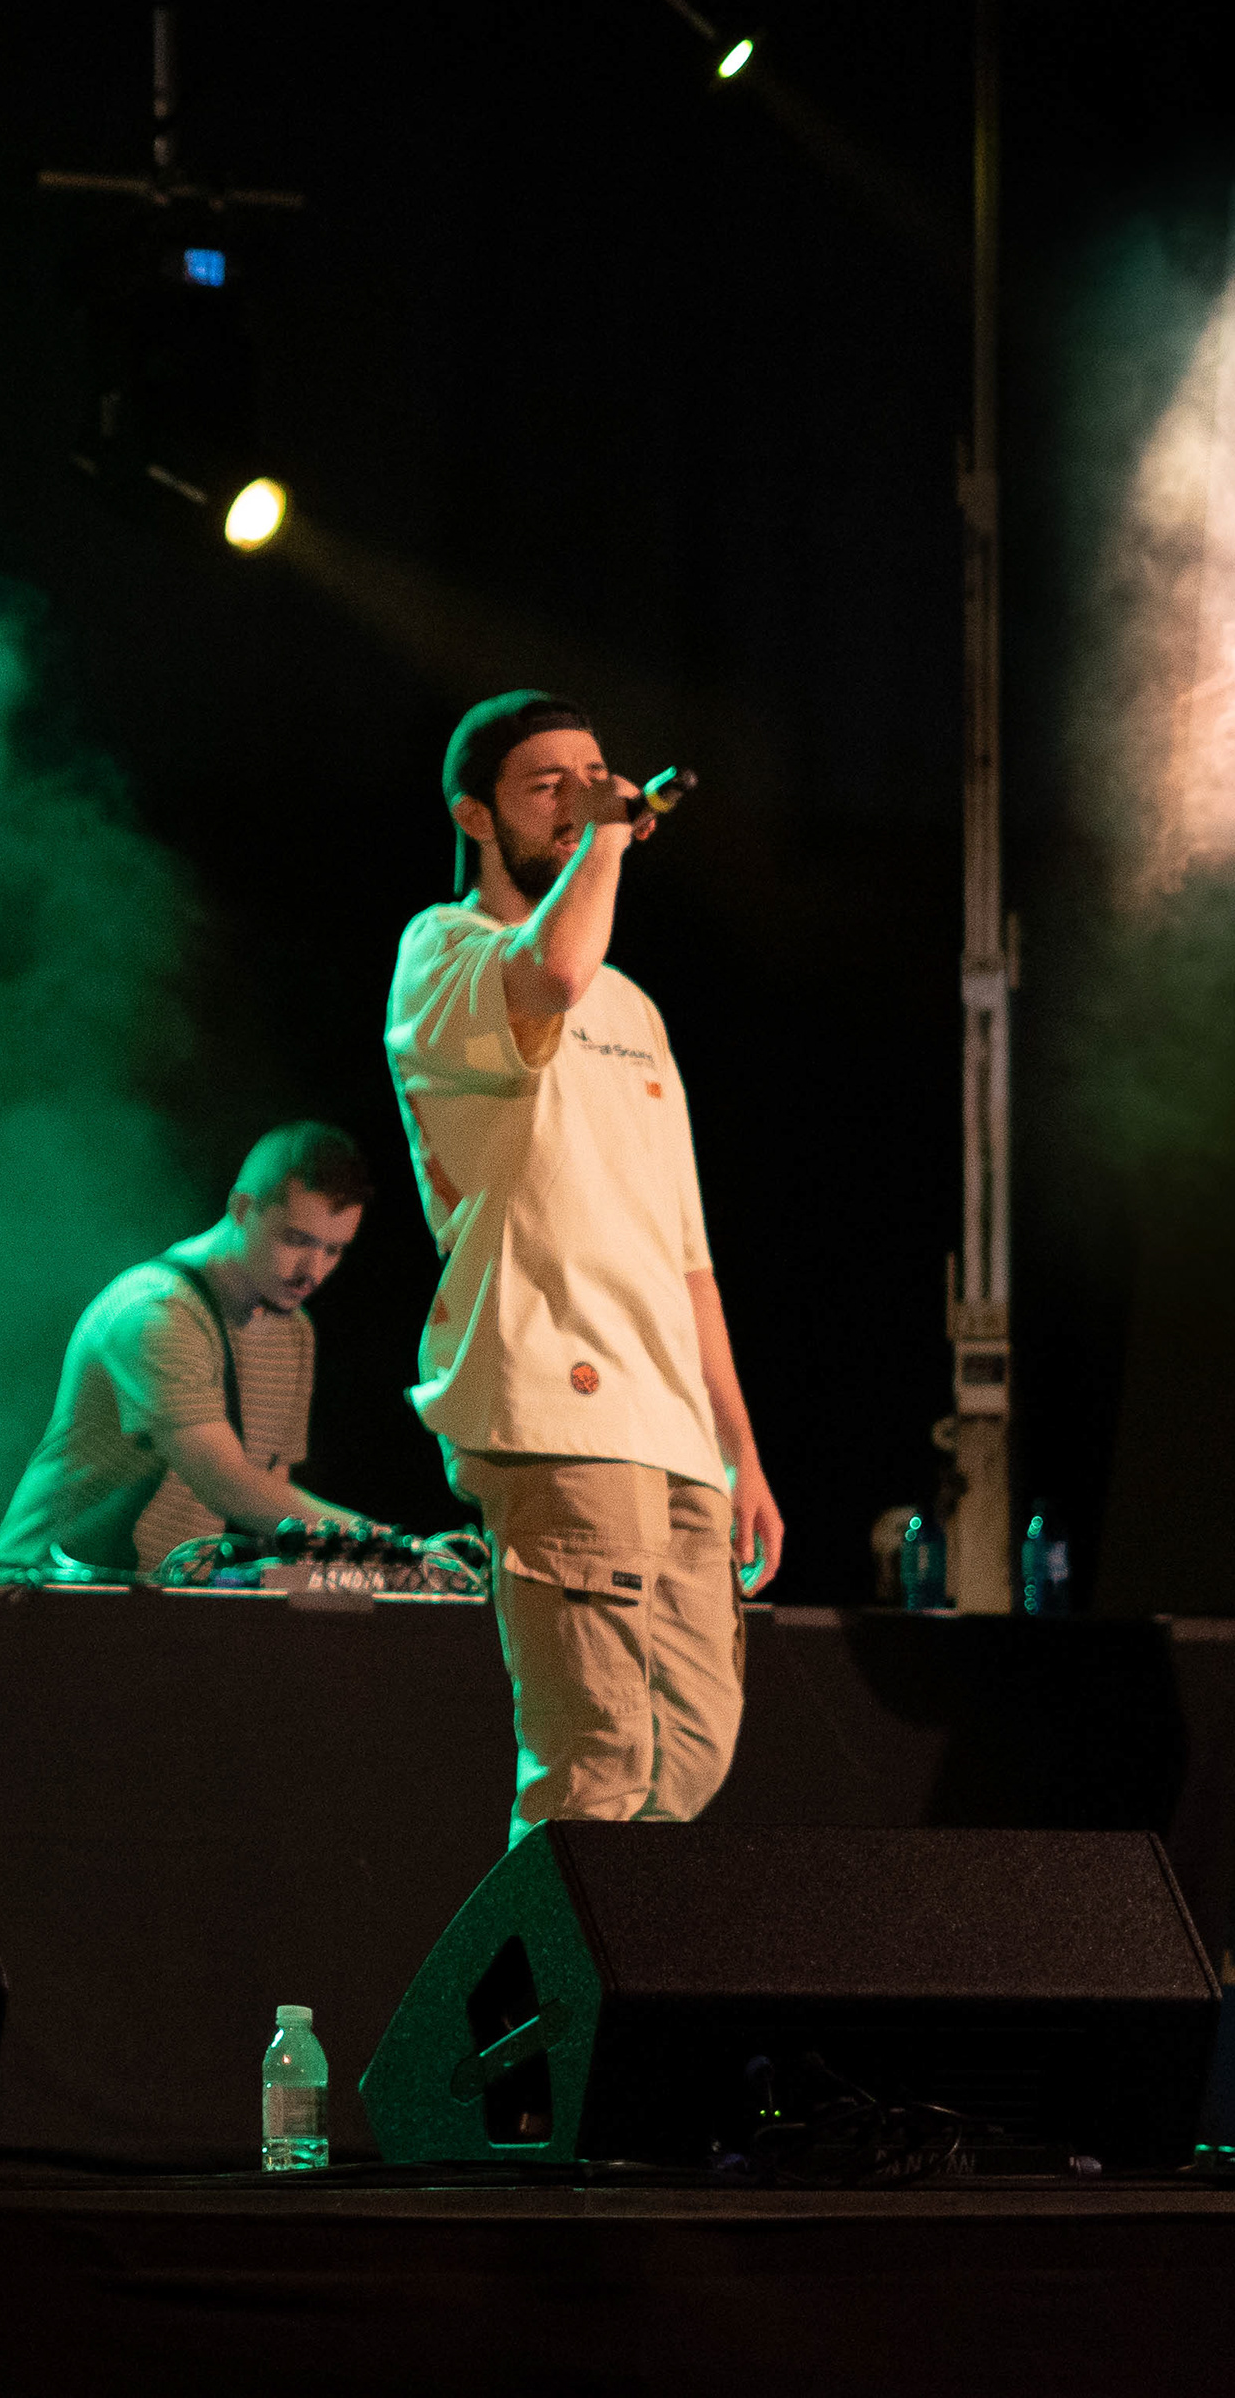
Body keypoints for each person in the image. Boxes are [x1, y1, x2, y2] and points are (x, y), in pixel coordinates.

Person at [388, 690, 785, 1839]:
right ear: (475, 815)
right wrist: (607, 836)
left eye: (596, 775)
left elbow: (687, 1257)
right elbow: (552, 975)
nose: (581, 797)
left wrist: (739, 1448)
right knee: (596, 1769)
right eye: (546, 784)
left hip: (673, 1429)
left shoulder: (638, 1009)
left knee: (688, 1765)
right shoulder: (444, 949)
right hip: (557, 1408)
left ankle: (619, 1963)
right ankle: (544, 1964)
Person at [0, 1122, 387, 1580]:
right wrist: (382, 1545)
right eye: (296, 1240)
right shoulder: (156, 1312)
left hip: (151, 1598)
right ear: (242, 1208)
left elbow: (270, 1502)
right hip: (42, 1592)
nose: (313, 1270)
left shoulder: (293, 1330)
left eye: (334, 1250)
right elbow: (226, 1482)